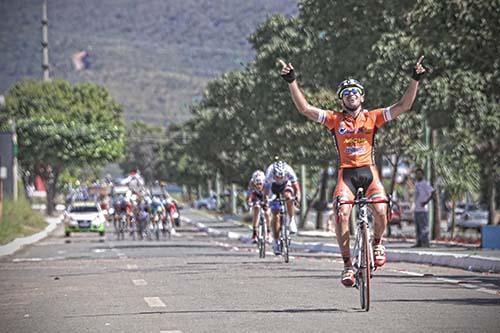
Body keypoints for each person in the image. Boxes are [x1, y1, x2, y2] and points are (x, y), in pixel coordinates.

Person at [279, 56, 426, 286]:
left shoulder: (373, 117)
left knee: (380, 209)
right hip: (346, 174)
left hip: (369, 173)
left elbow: (404, 106)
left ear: (362, 96)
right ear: (341, 100)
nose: (351, 95)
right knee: (342, 214)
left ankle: (377, 242)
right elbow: (305, 109)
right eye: (346, 93)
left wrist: (415, 78)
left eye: (355, 91)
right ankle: (347, 266)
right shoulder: (334, 119)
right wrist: (292, 81)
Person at [265, 158, 301, 255]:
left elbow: (297, 189)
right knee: (275, 214)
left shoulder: (289, 171)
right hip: (273, 188)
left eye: (281, 177)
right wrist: (266, 201)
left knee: (288, 197)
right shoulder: (269, 173)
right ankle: (276, 241)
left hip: (286, 185)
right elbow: (266, 191)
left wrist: (297, 198)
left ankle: (292, 220)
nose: (279, 179)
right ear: (274, 174)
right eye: (277, 177)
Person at [246, 170, 271, 243]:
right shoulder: (251, 184)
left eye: (260, 184)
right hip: (256, 196)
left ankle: (269, 232)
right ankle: (254, 233)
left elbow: (268, 196)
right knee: (256, 209)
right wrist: (249, 202)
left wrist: (266, 203)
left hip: (265, 195)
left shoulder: (267, 185)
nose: (258, 186)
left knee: (267, 212)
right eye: (256, 184)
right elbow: (249, 196)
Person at [413, 167, 435, 247]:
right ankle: (419, 242)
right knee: (418, 227)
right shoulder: (416, 184)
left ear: (422, 175)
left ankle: (426, 243)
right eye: (417, 174)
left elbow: (432, 192)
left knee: (424, 227)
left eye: (420, 174)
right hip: (416, 209)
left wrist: (426, 202)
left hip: (423, 210)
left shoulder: (425, 183)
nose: (418, 175)